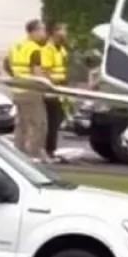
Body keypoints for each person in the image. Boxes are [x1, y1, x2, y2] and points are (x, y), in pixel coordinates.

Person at [4, 20, 47, 160]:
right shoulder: (34, 49)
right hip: (31, 90)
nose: (44, 34)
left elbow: (6, 64)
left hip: (17, 90)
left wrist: (16, 77)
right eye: (42, 30)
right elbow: (37, 71)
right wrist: (45, 86)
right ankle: (35, 153)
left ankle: (18, 152)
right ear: (34, 31)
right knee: (39, 123)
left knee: (21, 124)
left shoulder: (15, 46)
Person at [40, 21, 69, 162]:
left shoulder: (61, 50)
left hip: (60, 90)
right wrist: (52, 84)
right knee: (52, 120)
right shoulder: (48, 50)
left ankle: (51, 149)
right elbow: (45, 71)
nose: (65, 34)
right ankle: (48, 150)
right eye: (62, 31)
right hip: (51, 90)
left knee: (57, 120)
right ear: (54, 33)